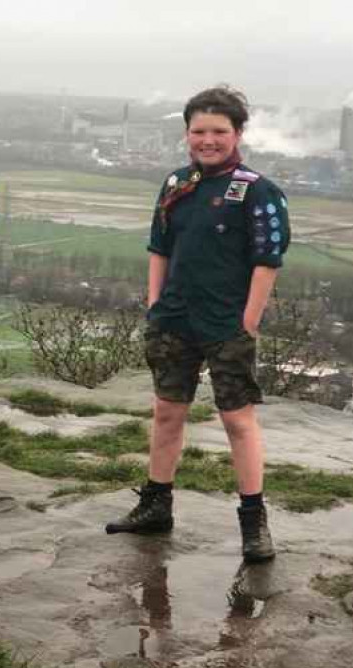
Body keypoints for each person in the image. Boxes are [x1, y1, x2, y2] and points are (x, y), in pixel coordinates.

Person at [105, 86, 290, 563]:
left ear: (238, 133)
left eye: (219, 131)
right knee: (168, 412)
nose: (208, 140)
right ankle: (156, 505)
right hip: (175, 318)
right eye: (199, 131)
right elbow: (159, 248)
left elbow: (267, 262)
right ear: (187, 133)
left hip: (226, 322)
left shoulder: (257, 190)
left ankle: (254, 521)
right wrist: (154, 305)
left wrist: (248, 321)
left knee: (237, 419)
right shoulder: (176, 185)